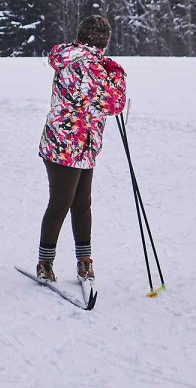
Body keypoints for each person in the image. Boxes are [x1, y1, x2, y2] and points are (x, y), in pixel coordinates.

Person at [35, 15, 126, 283]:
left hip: (80, 145)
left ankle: (84, 260)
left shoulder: (77, 58)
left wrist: (106, 68)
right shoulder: (86, 64)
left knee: (81, 203)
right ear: (101, 41)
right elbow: (114, 102)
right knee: (62, 202)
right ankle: (45, 262)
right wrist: (116, 73)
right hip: (66, 146)